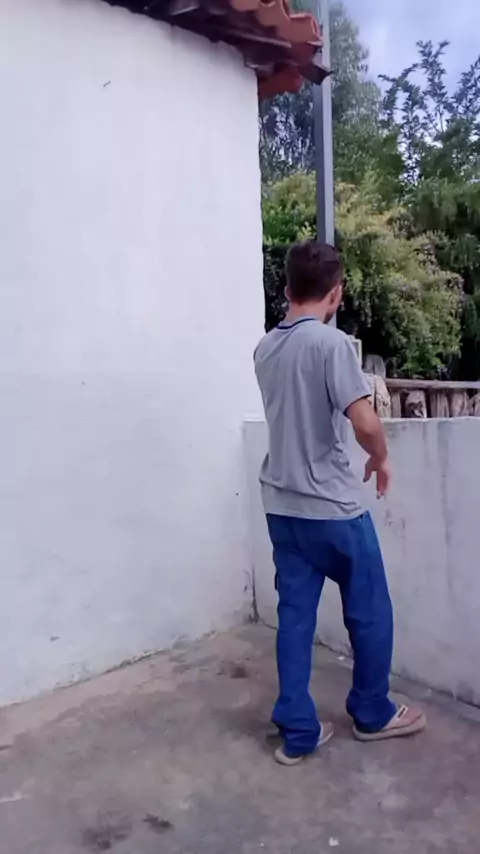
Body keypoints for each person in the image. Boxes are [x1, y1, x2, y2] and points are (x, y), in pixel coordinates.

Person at [254, 240, 426, 767]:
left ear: (287, 289)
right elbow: (364, 420)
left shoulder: (264, 349)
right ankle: (372, 713)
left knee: (295, 618)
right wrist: (381, 457)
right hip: (332, 508)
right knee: (370, 610)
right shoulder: (331, 346)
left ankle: (297, 730)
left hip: (282, 507)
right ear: (336, 294)